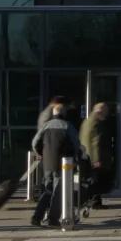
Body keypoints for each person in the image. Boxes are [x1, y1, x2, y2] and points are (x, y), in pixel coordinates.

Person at [27, 96, 86, 227]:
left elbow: (35, 142)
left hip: (47, 161)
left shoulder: (46, 126)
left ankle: (37, 216)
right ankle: (53, 219)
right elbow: (76, 143)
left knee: (47, 190)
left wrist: (40, 153)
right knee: (58, 191)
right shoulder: (67, 126)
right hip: (63, 163)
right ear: (64, 114)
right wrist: (78, 155)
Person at [79, 102, 116, 211]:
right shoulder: (97, 122)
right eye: (106, 111)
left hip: (87, 156)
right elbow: (96, 142)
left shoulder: (87, 121)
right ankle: (95, 201)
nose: (107, 114)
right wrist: (96, 159)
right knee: (98, 181)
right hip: (95, 157)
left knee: (95, 180)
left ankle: (95, 201)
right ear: (101, 111)